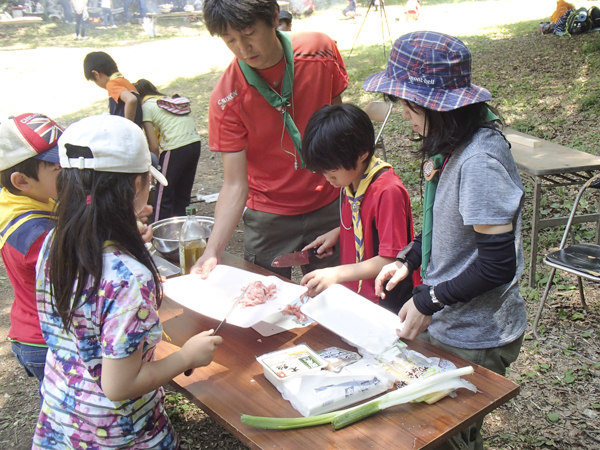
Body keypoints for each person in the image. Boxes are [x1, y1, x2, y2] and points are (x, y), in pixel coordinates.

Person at [367, 31, 527, 449]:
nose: (403, 112)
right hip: (449, 319)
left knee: (447, 436)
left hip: (477, 333)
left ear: (437, 107)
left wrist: (427, 301)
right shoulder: (452, 146)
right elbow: (445, 223)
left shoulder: (479, 161)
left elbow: (496, 265)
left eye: (408, 103)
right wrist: (409, 258)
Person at [32, 115, 222, 448]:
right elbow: (119, 386)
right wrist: (187, 357)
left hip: (66, 407)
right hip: (117, 433)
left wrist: (123, 237)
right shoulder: (127, 279)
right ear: (136, 186)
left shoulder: (56, 241)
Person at [193, 0, 349, 280]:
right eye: (230, 40)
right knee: (264, 306)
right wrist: (213, 250)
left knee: (336, 296)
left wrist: (355, 198)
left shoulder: (320, 52)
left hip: (329, 202)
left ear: (274, 17)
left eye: (249, 33)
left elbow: (339, 128)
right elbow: (235, 183)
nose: (243, 49)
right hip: (269, 217)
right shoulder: (227, 98)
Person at [299, 103, 419, 313]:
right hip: (358, 294)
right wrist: (338, 233)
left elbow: (391, 259)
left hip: (385, 299)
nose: (328, 180)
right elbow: (366, 222)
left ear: (362, 153)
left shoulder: (387, 191)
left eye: (333, 173)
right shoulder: (351, 179)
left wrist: (337, 273)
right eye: (324, 173)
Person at [0, 113, 63, 399]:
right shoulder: (35, 234)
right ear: (21, 180)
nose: (74, 172)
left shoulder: (17, 198)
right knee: (74, 417)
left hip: (31, 326)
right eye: (61, 169)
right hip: (48, 341)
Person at [135, 78, 202, 220]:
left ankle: (159, 233)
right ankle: (182, 229)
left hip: (175, 147)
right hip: (195, 143)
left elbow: (153, 145)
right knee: (183, 193)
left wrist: (154, 170)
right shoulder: (166, 100)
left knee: (162, 196)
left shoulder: (146, 106)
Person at [83, 51, 143, 127]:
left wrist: (127, 127)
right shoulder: (126, 82)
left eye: (93, 80)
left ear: (96, 74)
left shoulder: (111, 84)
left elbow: (131, 99)